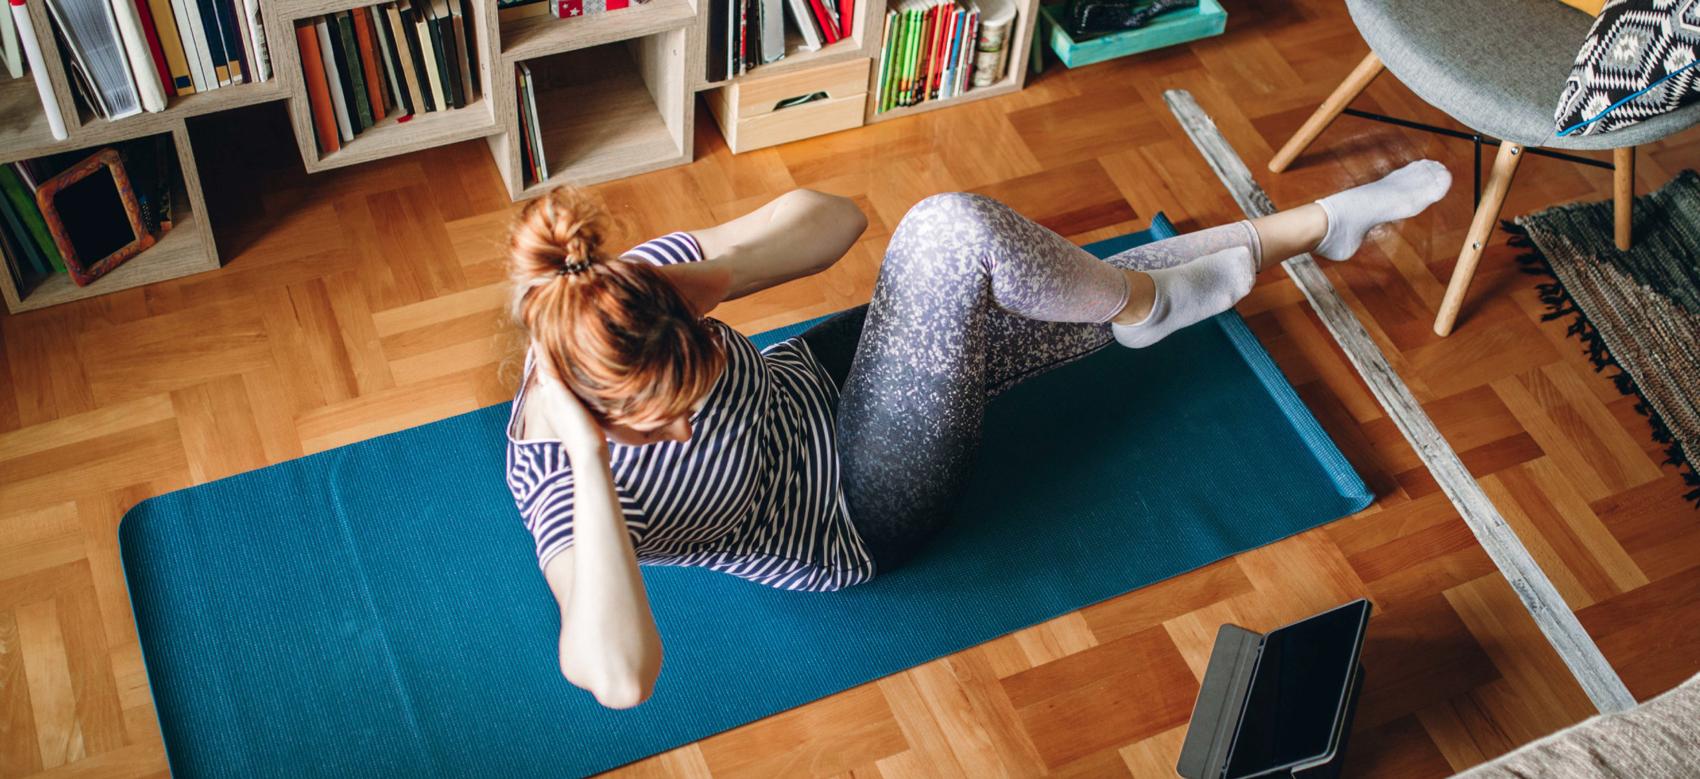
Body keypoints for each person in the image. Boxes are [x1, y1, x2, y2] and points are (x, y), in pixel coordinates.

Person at [503, 161, 1452, 708]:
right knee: (965, 239)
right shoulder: (559, 483)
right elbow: (620, 679)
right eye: (673, 414)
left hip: (829, 381)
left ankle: (1313, 228)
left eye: (706, 361)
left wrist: (721, 269)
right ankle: (1168, 290)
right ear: (605, 420)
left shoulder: (624, 304)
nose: (696, 408)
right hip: (856, 504)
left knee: (1016, 271)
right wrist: (589, 460)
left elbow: (842, 222)